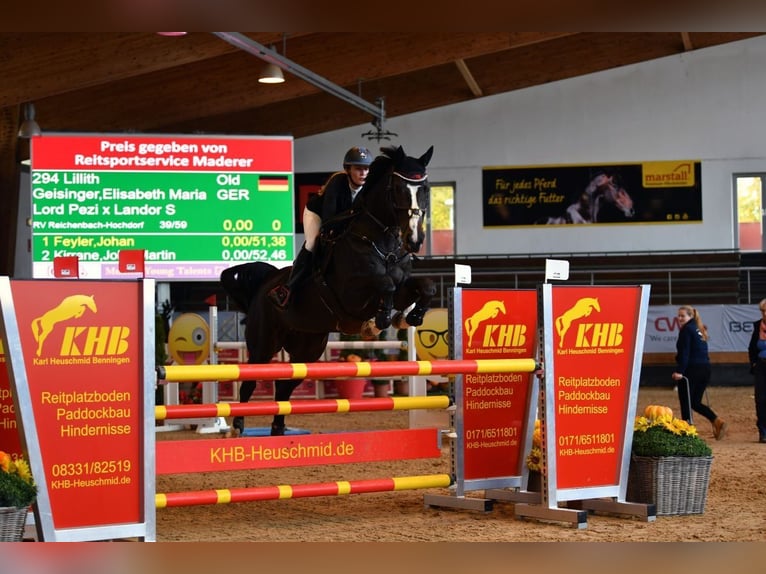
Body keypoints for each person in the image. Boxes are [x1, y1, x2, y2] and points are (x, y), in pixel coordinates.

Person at [268, 146, 373, 308]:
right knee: (312, 244)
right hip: (317, 214)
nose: (363, 173)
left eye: (366, 169)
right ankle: (287, 288)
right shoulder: (337, 184)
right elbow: (329, 217)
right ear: (348, 169)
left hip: (343, 219)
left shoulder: (368, 188)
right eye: (358, 169)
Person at [671, 304, 727, 439]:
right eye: (678, 316)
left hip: (692, 370)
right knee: (695, 402)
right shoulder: (698, 329)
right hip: (705, 369)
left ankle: (687, 432)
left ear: (690, 316)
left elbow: (685, 353)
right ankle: (717, 421)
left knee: (686, 401)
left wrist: (680, 371)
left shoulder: (686, 330)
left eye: (682, 315)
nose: (679, 318)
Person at [747, 298, 766, 443]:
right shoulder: (757, 326)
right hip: (761, 367)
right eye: (763, 311)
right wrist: (753, 363)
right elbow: (752, 347)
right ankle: (763, 431)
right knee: (760, 399)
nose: (764, 313)